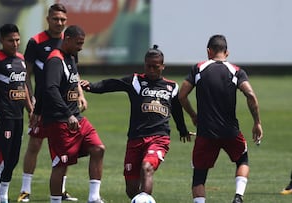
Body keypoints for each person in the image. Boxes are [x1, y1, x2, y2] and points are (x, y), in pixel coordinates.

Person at [80, 45, 194, 200]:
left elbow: (176, 110)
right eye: (149, 66)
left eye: (156, 67)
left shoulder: (172, 86)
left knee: (147, 167)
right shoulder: (135, 81)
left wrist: (182, 130)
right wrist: (91, 87)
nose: (152, 70)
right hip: (135, 138)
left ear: (163, 66)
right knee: (131, 188)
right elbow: (112, 84)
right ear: (144, 65)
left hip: (159, 138)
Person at [178, 34, 263, 203]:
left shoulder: (198, 68)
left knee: (199, 176)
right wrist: (257, 123)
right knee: (242, 160)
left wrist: (193, 115)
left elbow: (181, 96)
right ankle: (238, 196)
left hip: (206, 132)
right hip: (230, 131)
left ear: (209, 51)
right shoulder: (236, 71)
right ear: (227, 52)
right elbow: (251, 95)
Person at [17, 3, 83, 202]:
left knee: (65, 148)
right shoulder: (36, 42)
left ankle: (61, 191)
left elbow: (73, 72)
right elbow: (26, 74)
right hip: (43, 104)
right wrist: (31, 100)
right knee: (35, 144)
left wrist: (80, 93)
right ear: (48, 19)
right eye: (56, 19)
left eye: (63, 20)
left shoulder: (69, 42)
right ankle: (25, 190)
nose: (59, 23)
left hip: (65, 107)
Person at [33, 25, 104, 203]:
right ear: (68, 39)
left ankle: (94, 198)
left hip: (76, 118)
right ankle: (55, 201)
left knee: (98, 149)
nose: (81, 47)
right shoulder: (55, 61)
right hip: (59, 121)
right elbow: (49, 89)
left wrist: (79, 94)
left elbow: (71, 80)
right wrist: (65, 114)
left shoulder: (71, 57)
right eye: (78, 43)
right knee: (60, 163)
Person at [0, 23, 33, 203]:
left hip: (18, 117)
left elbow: (23, 87)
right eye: (11, 40)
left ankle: (4, 195)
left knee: (14, 158)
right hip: (3, 116)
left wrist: (30, 109)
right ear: (2, 40)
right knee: (2, 157)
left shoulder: (21, 59)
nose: (15, 43)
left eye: (17, 39)